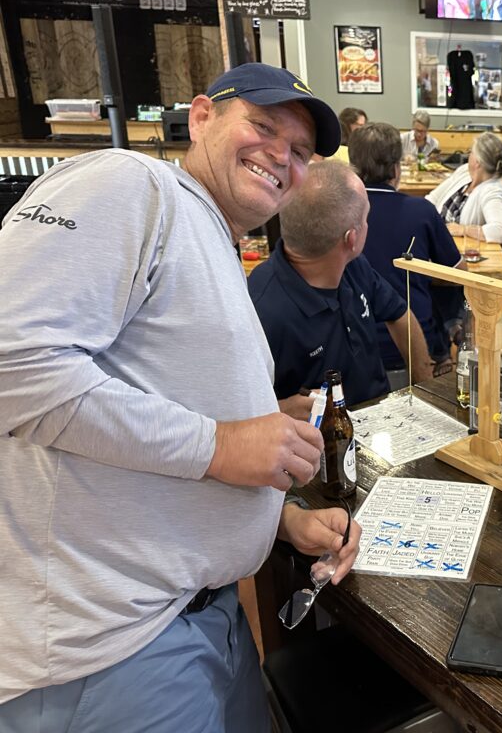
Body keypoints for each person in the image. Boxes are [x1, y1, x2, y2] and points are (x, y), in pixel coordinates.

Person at [0, 63, 361, 732]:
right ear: (201, 117)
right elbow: (12, 368)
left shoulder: (213, 239)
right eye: (263, 126)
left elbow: (149, 409)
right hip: (107, 649)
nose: (281, 155)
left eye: (300, 151)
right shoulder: (131, 184)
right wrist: (221, 444)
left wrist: (278, 519)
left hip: (204, 617)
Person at [248, 160, 436, 412]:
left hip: (380, 419)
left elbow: (399, 314)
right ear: (352, 239)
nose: (368, 224)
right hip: (322, 436)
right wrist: (282, 410)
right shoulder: (261, 312)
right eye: (366, 218)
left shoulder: (353, 266)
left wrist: (424, 390)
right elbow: (235, 412)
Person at [349, 122, 464, 378]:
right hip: (415, 343)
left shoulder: (339, 211)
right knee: (448, 293)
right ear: (396, 168)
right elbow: (459, 273)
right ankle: (450, 352)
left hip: (355, 347)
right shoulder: (421, 210)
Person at [426, 131, 502, 243]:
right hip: (433, 236)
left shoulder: (492, 190)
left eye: (471, 152)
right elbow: (433, 198)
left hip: (454, 247)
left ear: (478, 162)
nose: (468, 156)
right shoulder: (465, 171)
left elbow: (501, 231)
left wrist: (464, 230)